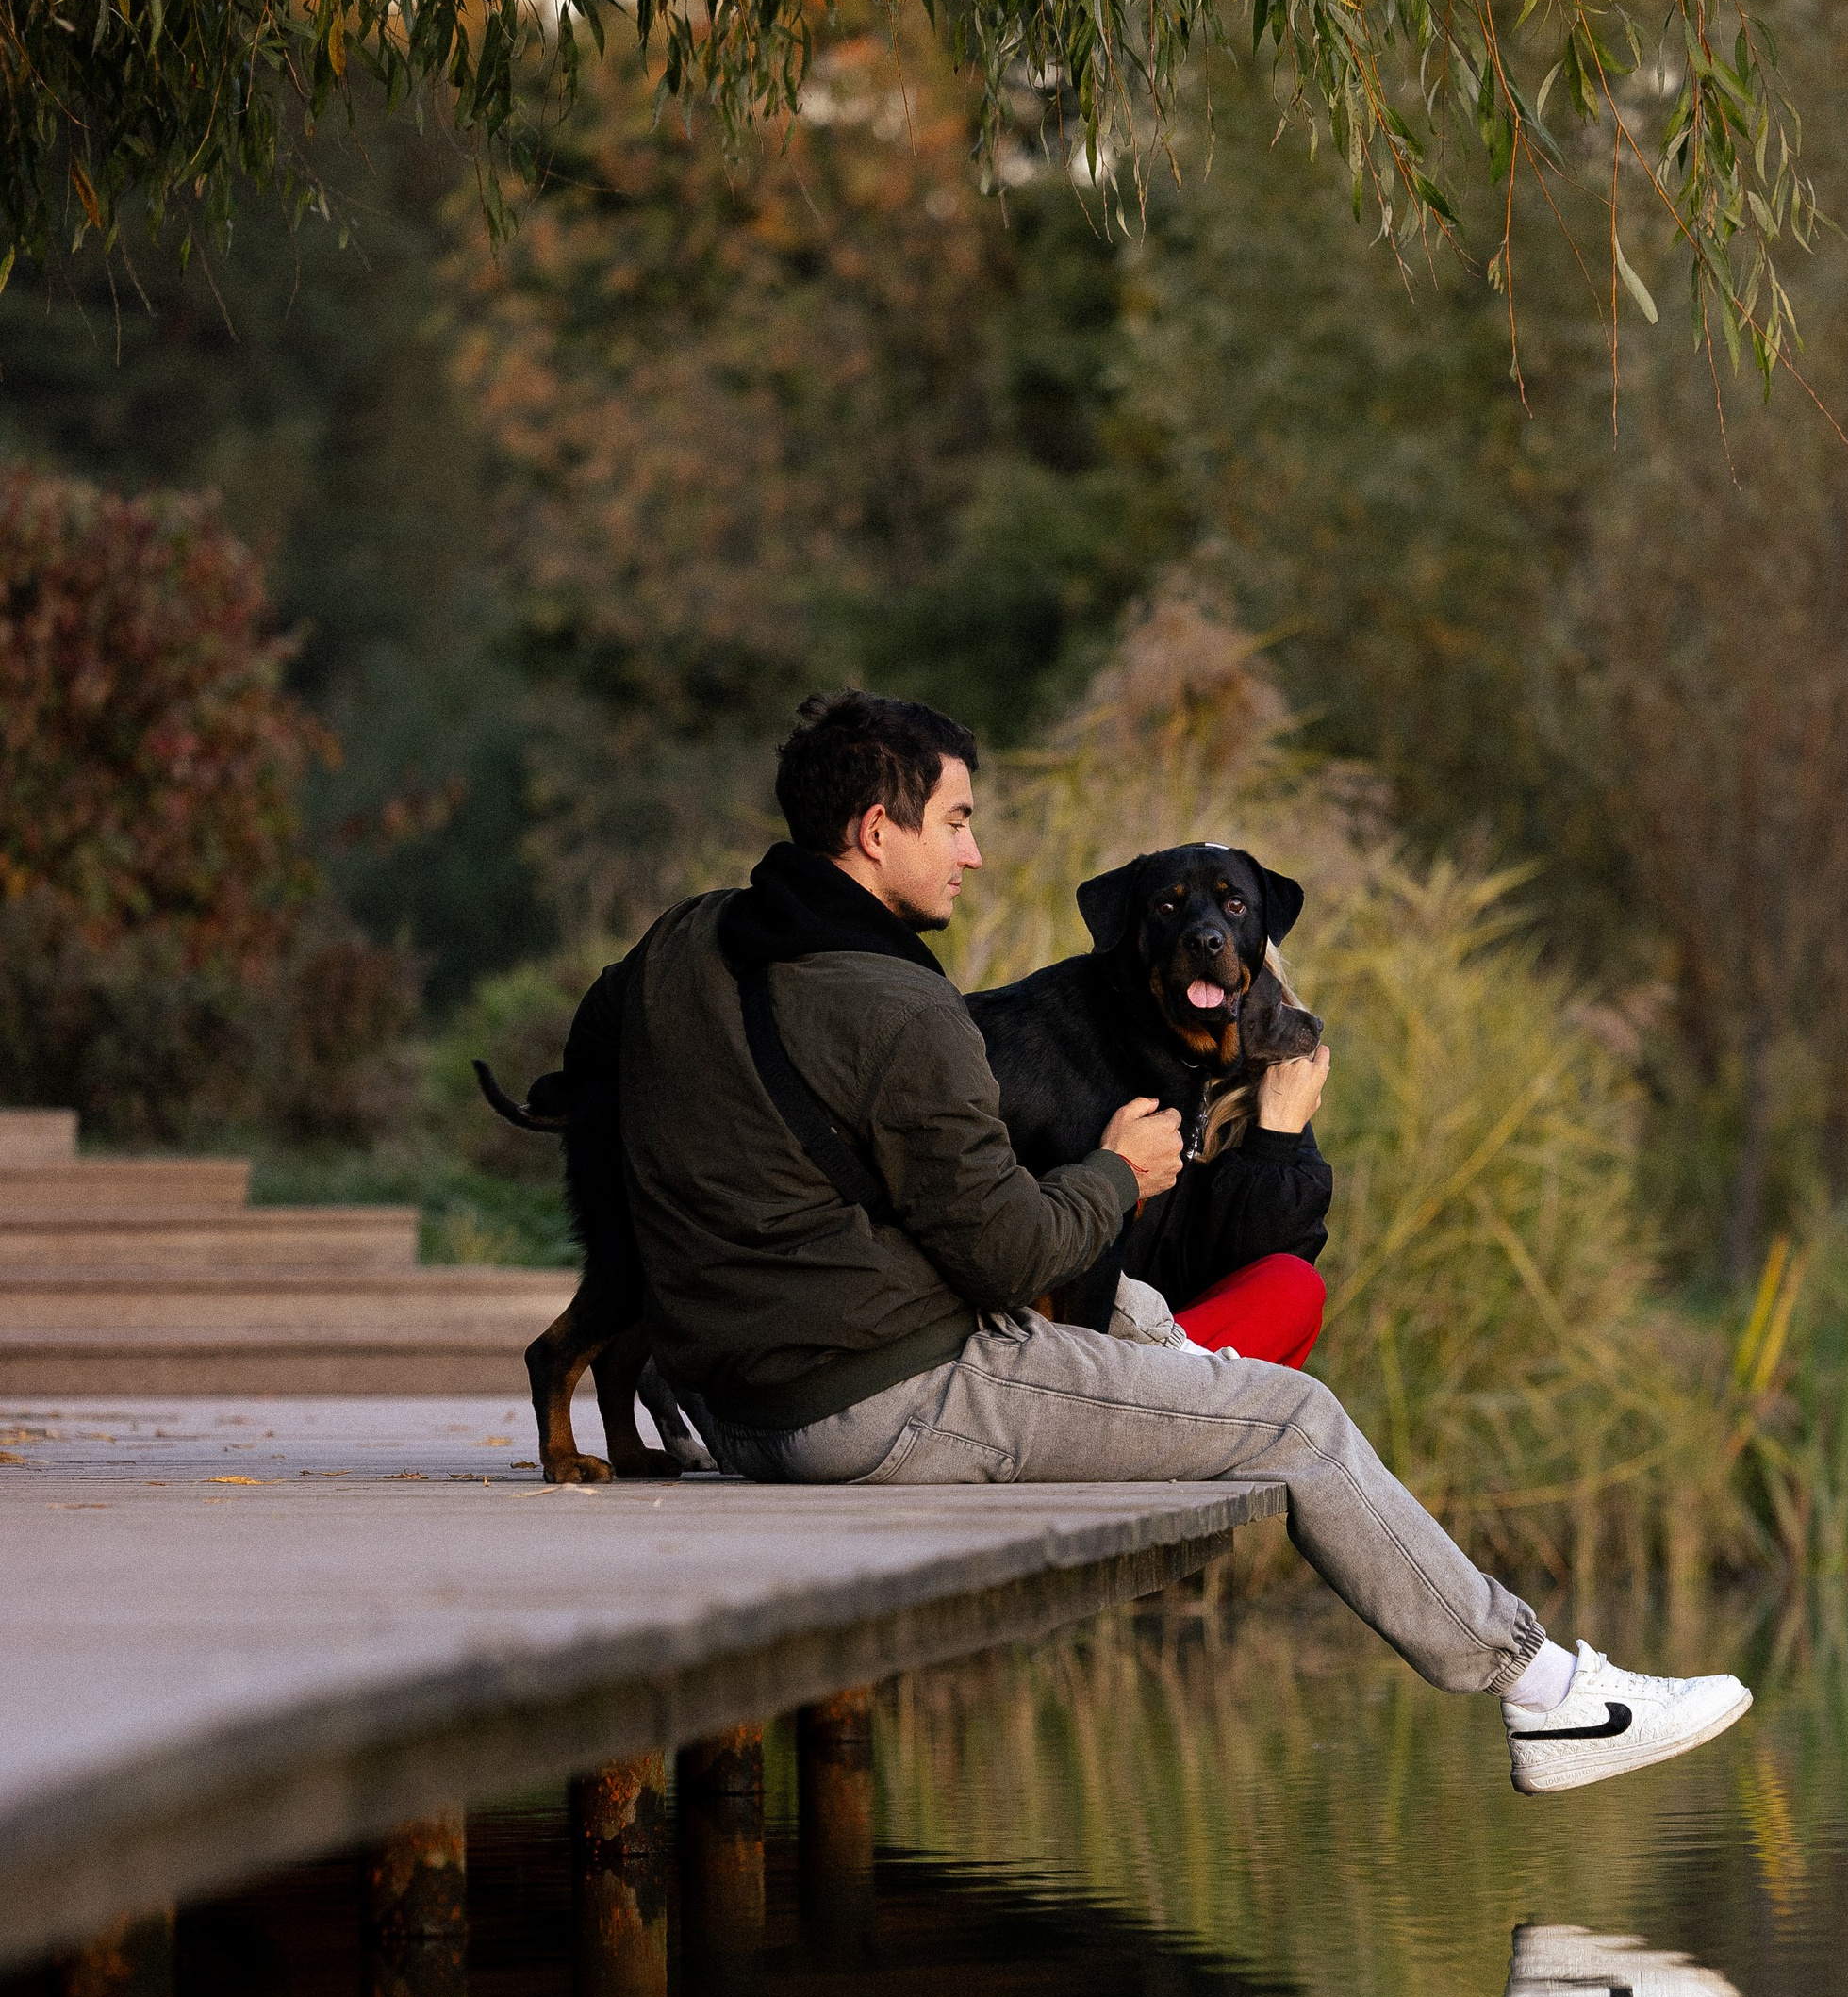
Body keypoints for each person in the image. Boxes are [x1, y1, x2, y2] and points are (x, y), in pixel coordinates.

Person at [625, 689, 1751, 1792]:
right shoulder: (907, 1013)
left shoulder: (686, 942)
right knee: (1297, 1418)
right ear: (878, 830)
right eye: (958, 821)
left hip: (731, 1398)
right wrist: (1119, 1170)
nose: (972, 854)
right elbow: (1013, 1260)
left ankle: (1177, 1381)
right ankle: (1548, 1696)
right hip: (872, 1406)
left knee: (1144, 1322)